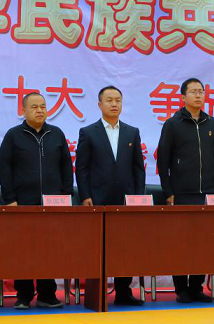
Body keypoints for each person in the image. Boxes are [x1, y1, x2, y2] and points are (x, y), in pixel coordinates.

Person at [0, 92, 74, 310]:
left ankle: (47, 294)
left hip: (53, 203)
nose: (40, 110)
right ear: (23, 110)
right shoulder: (13, 135)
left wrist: (66, 196)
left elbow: (66, 167)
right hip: (23, 203)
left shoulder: (56, 134)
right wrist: (10, 199)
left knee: (49, 250)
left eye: (43, 106)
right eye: (34, 107)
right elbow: (5, 168)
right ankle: (23, 295)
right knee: (23, 250)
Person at [156, 78, 214, 304]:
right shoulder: (173, 124)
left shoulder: (212, 123)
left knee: (203, 243)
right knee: (181, 244)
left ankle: (196, 287)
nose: (198, 95)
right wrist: (168, 191)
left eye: (201, 92)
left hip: (207, 194)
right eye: (193, 92)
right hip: (181, 194)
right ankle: (181, 289)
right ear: (183, 97)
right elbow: (163, 161)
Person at [75, 86, 145, 306]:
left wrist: (138, 197)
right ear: (100, 104)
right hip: (98, 199)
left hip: (126, 200)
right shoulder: (88, 132)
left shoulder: (132, 132)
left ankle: (124, 292)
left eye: (118, 100)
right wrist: (85, 195)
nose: (114, 104)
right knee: (98, 248)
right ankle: (97, 292)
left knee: (126, 248)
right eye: (109, 100)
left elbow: (138, 168)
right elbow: (82, 168)